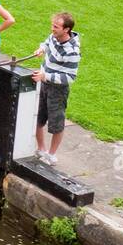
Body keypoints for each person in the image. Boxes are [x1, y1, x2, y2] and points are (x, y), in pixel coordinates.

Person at [32, 11, 81, 165]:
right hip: (43, 83)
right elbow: (47, 42)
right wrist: (41, 48)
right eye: (53, 25)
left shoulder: (72, 51)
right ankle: (41, 149)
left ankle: (51, 155)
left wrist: (45, 76)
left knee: (56, 123)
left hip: (57, 90)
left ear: (66, 30)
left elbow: (70, 77)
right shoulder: (55, 36)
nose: (52, 29)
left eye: (56, 27)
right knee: (37, 117)